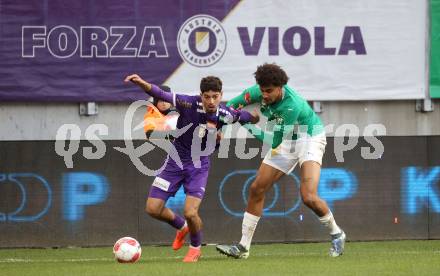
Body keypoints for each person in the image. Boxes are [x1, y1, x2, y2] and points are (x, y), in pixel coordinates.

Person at [216, 63, 346, 258]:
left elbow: (273, 141)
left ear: (281, 88)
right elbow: (229, 107)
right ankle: (243, 248)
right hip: (286, 140)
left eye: (269, 91)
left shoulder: (291, 105)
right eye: (262, 90)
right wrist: (221, 129)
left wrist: (245, 124)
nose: (265, 95)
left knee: (308, 196)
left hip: (309, 138)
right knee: (256, 188)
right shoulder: (257, 92)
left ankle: (337, 234)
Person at [124, 74, 258, 262]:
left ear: (221, 95)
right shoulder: (186, 103)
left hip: (199, 166)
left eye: (215, 96)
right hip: (175, 161)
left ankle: (195, 248)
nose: (211, 101)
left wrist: (254, 117)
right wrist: (141, 83)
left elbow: (241, 115)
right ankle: (182, 227)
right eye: (207, 96)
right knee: (152, 208)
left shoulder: (224, 114)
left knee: (190, 212)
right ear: (200, 95)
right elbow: (159, 92)